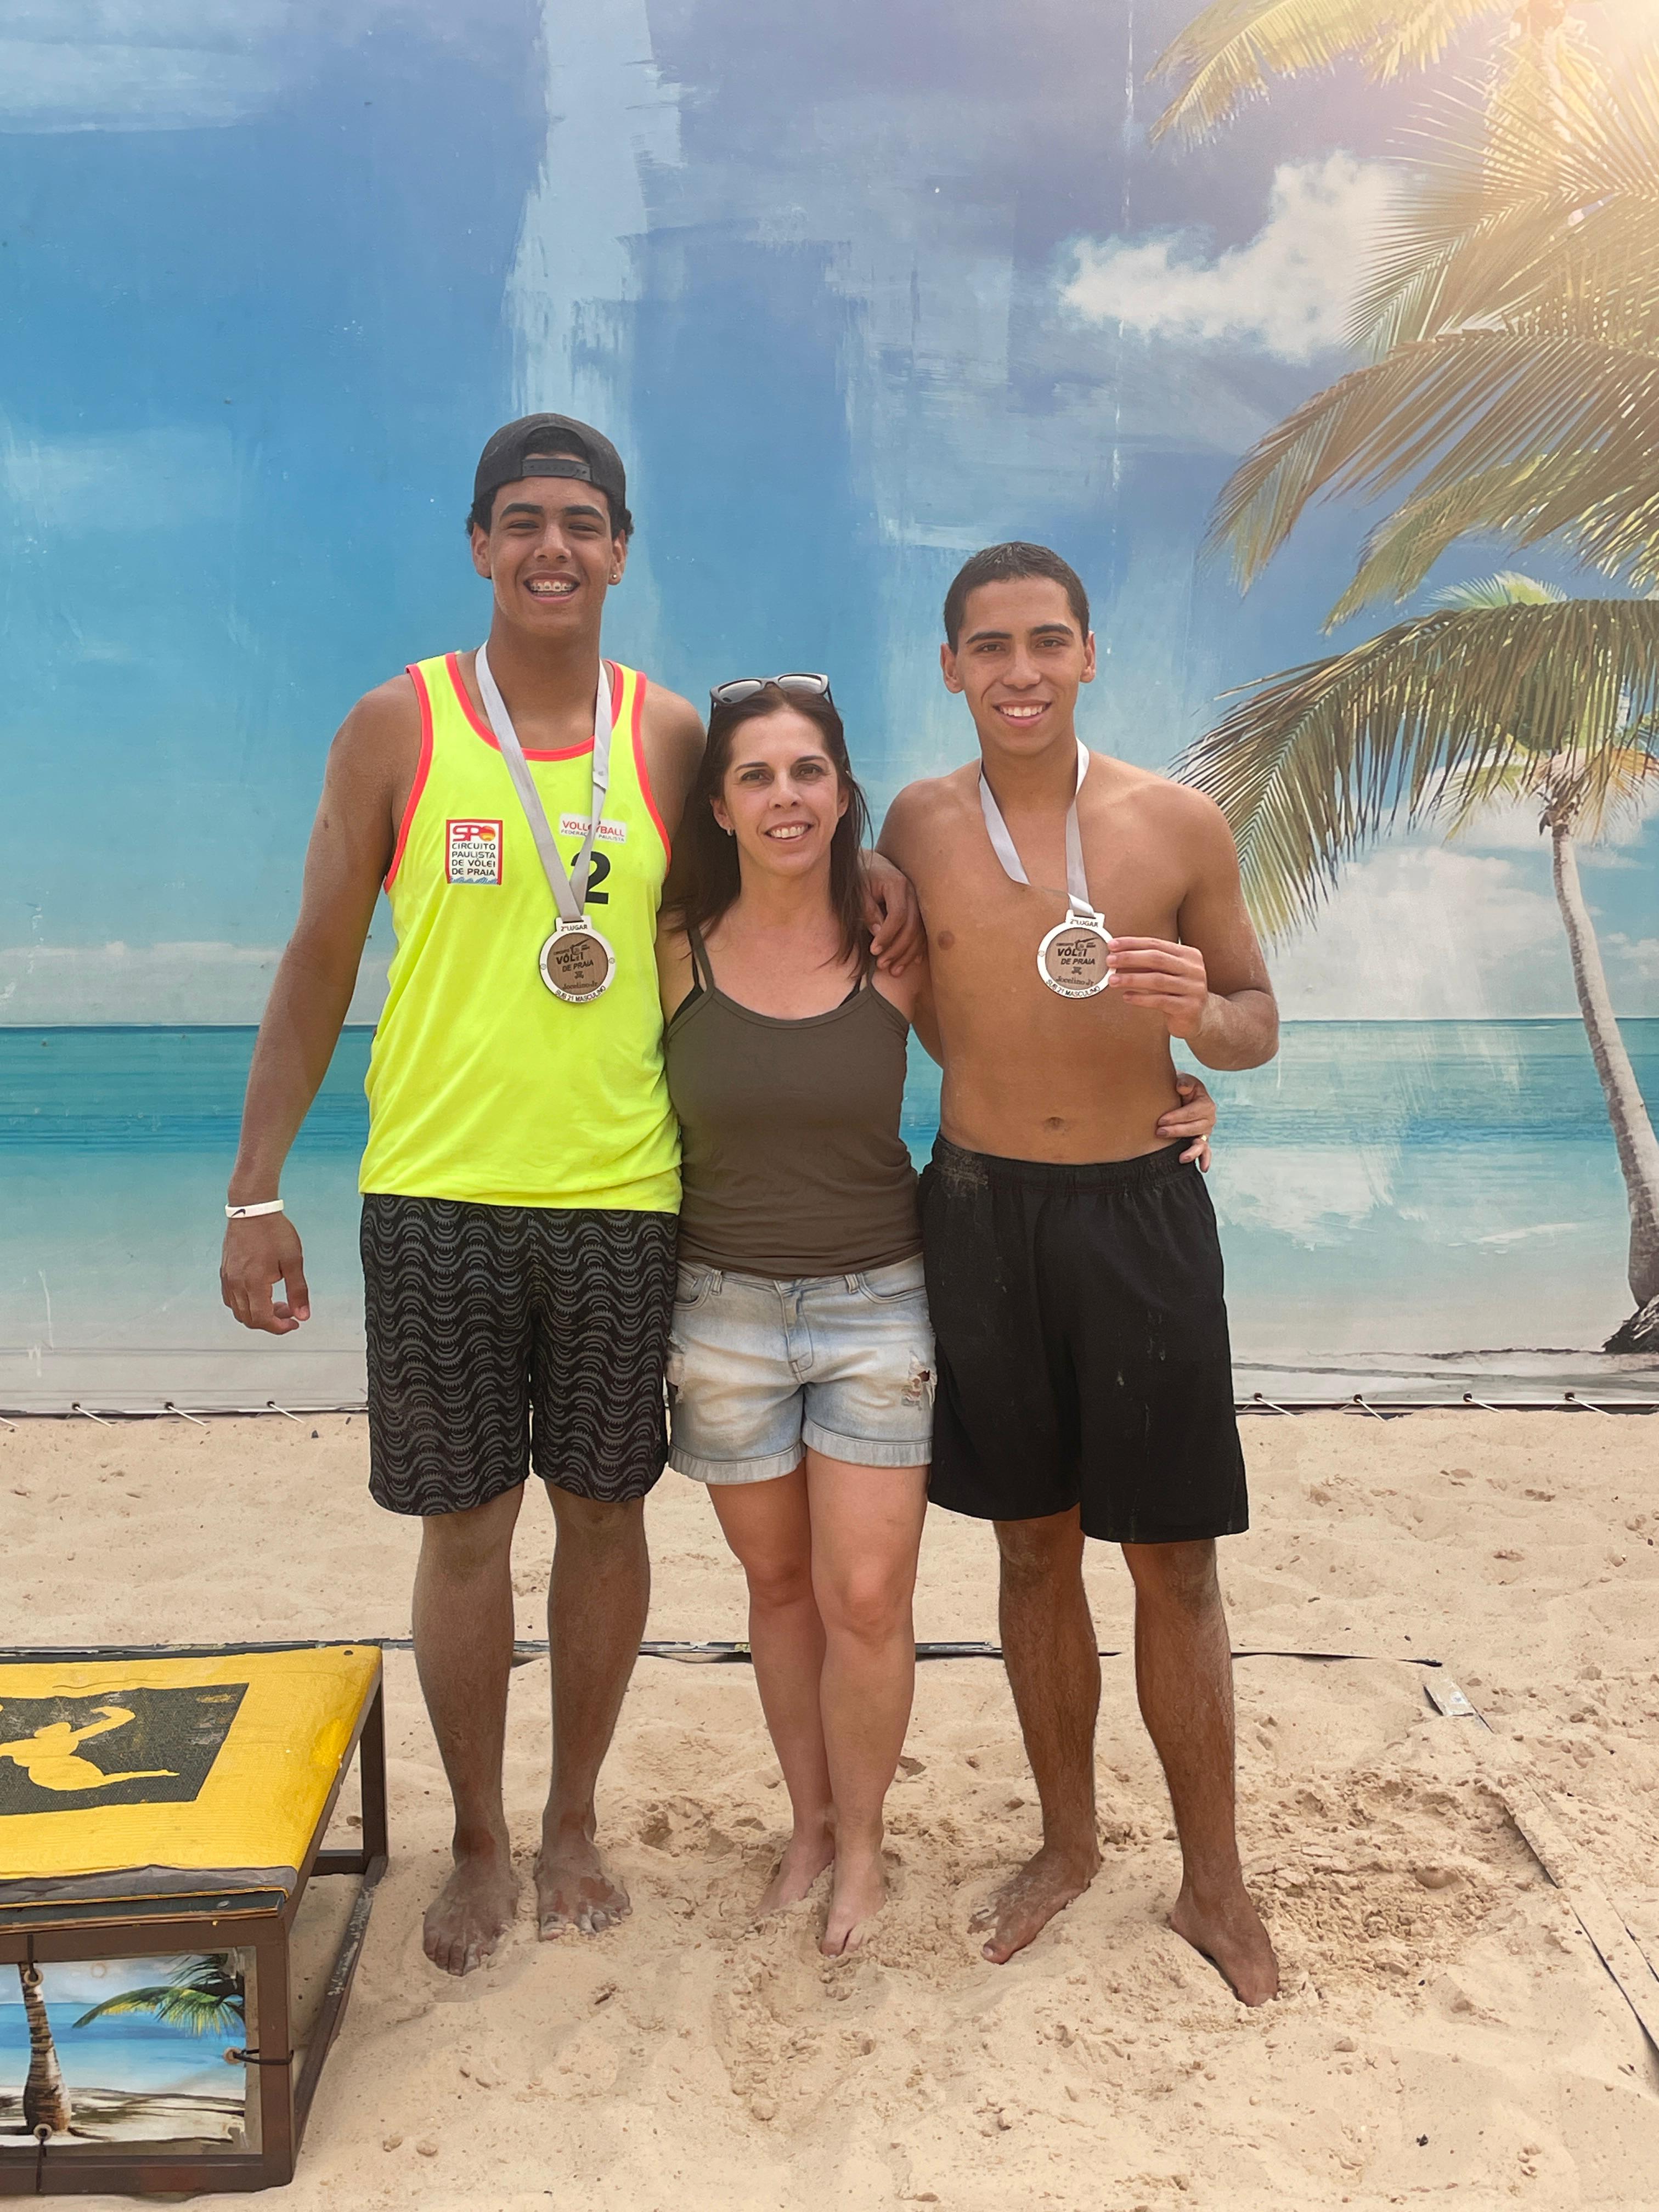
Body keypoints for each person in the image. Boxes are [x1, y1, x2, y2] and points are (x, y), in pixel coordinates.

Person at [218, 415, 921, 1977]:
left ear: (619, 548)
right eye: (522, 520)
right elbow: (321, 956)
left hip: (626, 1196)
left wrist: (880, 879)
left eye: (583, 522)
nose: (553, 547)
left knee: (605, 1515)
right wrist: (251, 1188)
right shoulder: (396, 726)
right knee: (465, 1530)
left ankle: (575, 1820)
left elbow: (776, 859)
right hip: (438, 1193)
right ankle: (478, 1836)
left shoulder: (669, 735)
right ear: (479, 545)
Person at [654, 675, 1219, 1956]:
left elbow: (1021, 1032)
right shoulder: (671, 940)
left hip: (879, 1300)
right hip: (722, 1308)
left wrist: (1170, 1092)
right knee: (779, 1585)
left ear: (842, 792)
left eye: (808, 773)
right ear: (722, 804)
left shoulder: (886, 941)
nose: (785, 796)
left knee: (865, 1594)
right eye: (756, 775)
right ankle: (810, 1822)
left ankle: (862, 1849)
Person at [878, 541, 1282, 2005]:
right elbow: (925, 1006)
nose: (1022, 671)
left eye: (1047, 641)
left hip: (1139, 1213)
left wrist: (1207, 1035)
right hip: (979, 1211)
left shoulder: (1175, 822)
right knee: (1031, 1545)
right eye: (990, 647)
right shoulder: (917, 826)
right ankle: (1067, 1844)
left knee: (1175, 1563)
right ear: (951, 668)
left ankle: (1216, 1884)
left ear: (1089, 654)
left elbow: (1256, 1015)